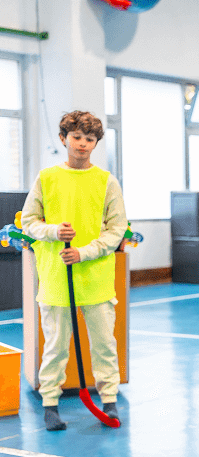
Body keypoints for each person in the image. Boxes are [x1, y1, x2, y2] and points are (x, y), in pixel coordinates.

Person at [21, 111, 127, 431]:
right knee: (55, 346)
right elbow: (29, 222)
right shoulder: (46, 178)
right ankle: (50, 403)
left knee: (104, 345)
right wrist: (54, 232)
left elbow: (116, 229)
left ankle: (109, 399)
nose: (82, 144)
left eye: (89, 139)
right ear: (63, 139)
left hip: (96, 278)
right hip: (56, 277)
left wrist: (84, 252)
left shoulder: (107, 181)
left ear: (96, 143)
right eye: (76, 137)